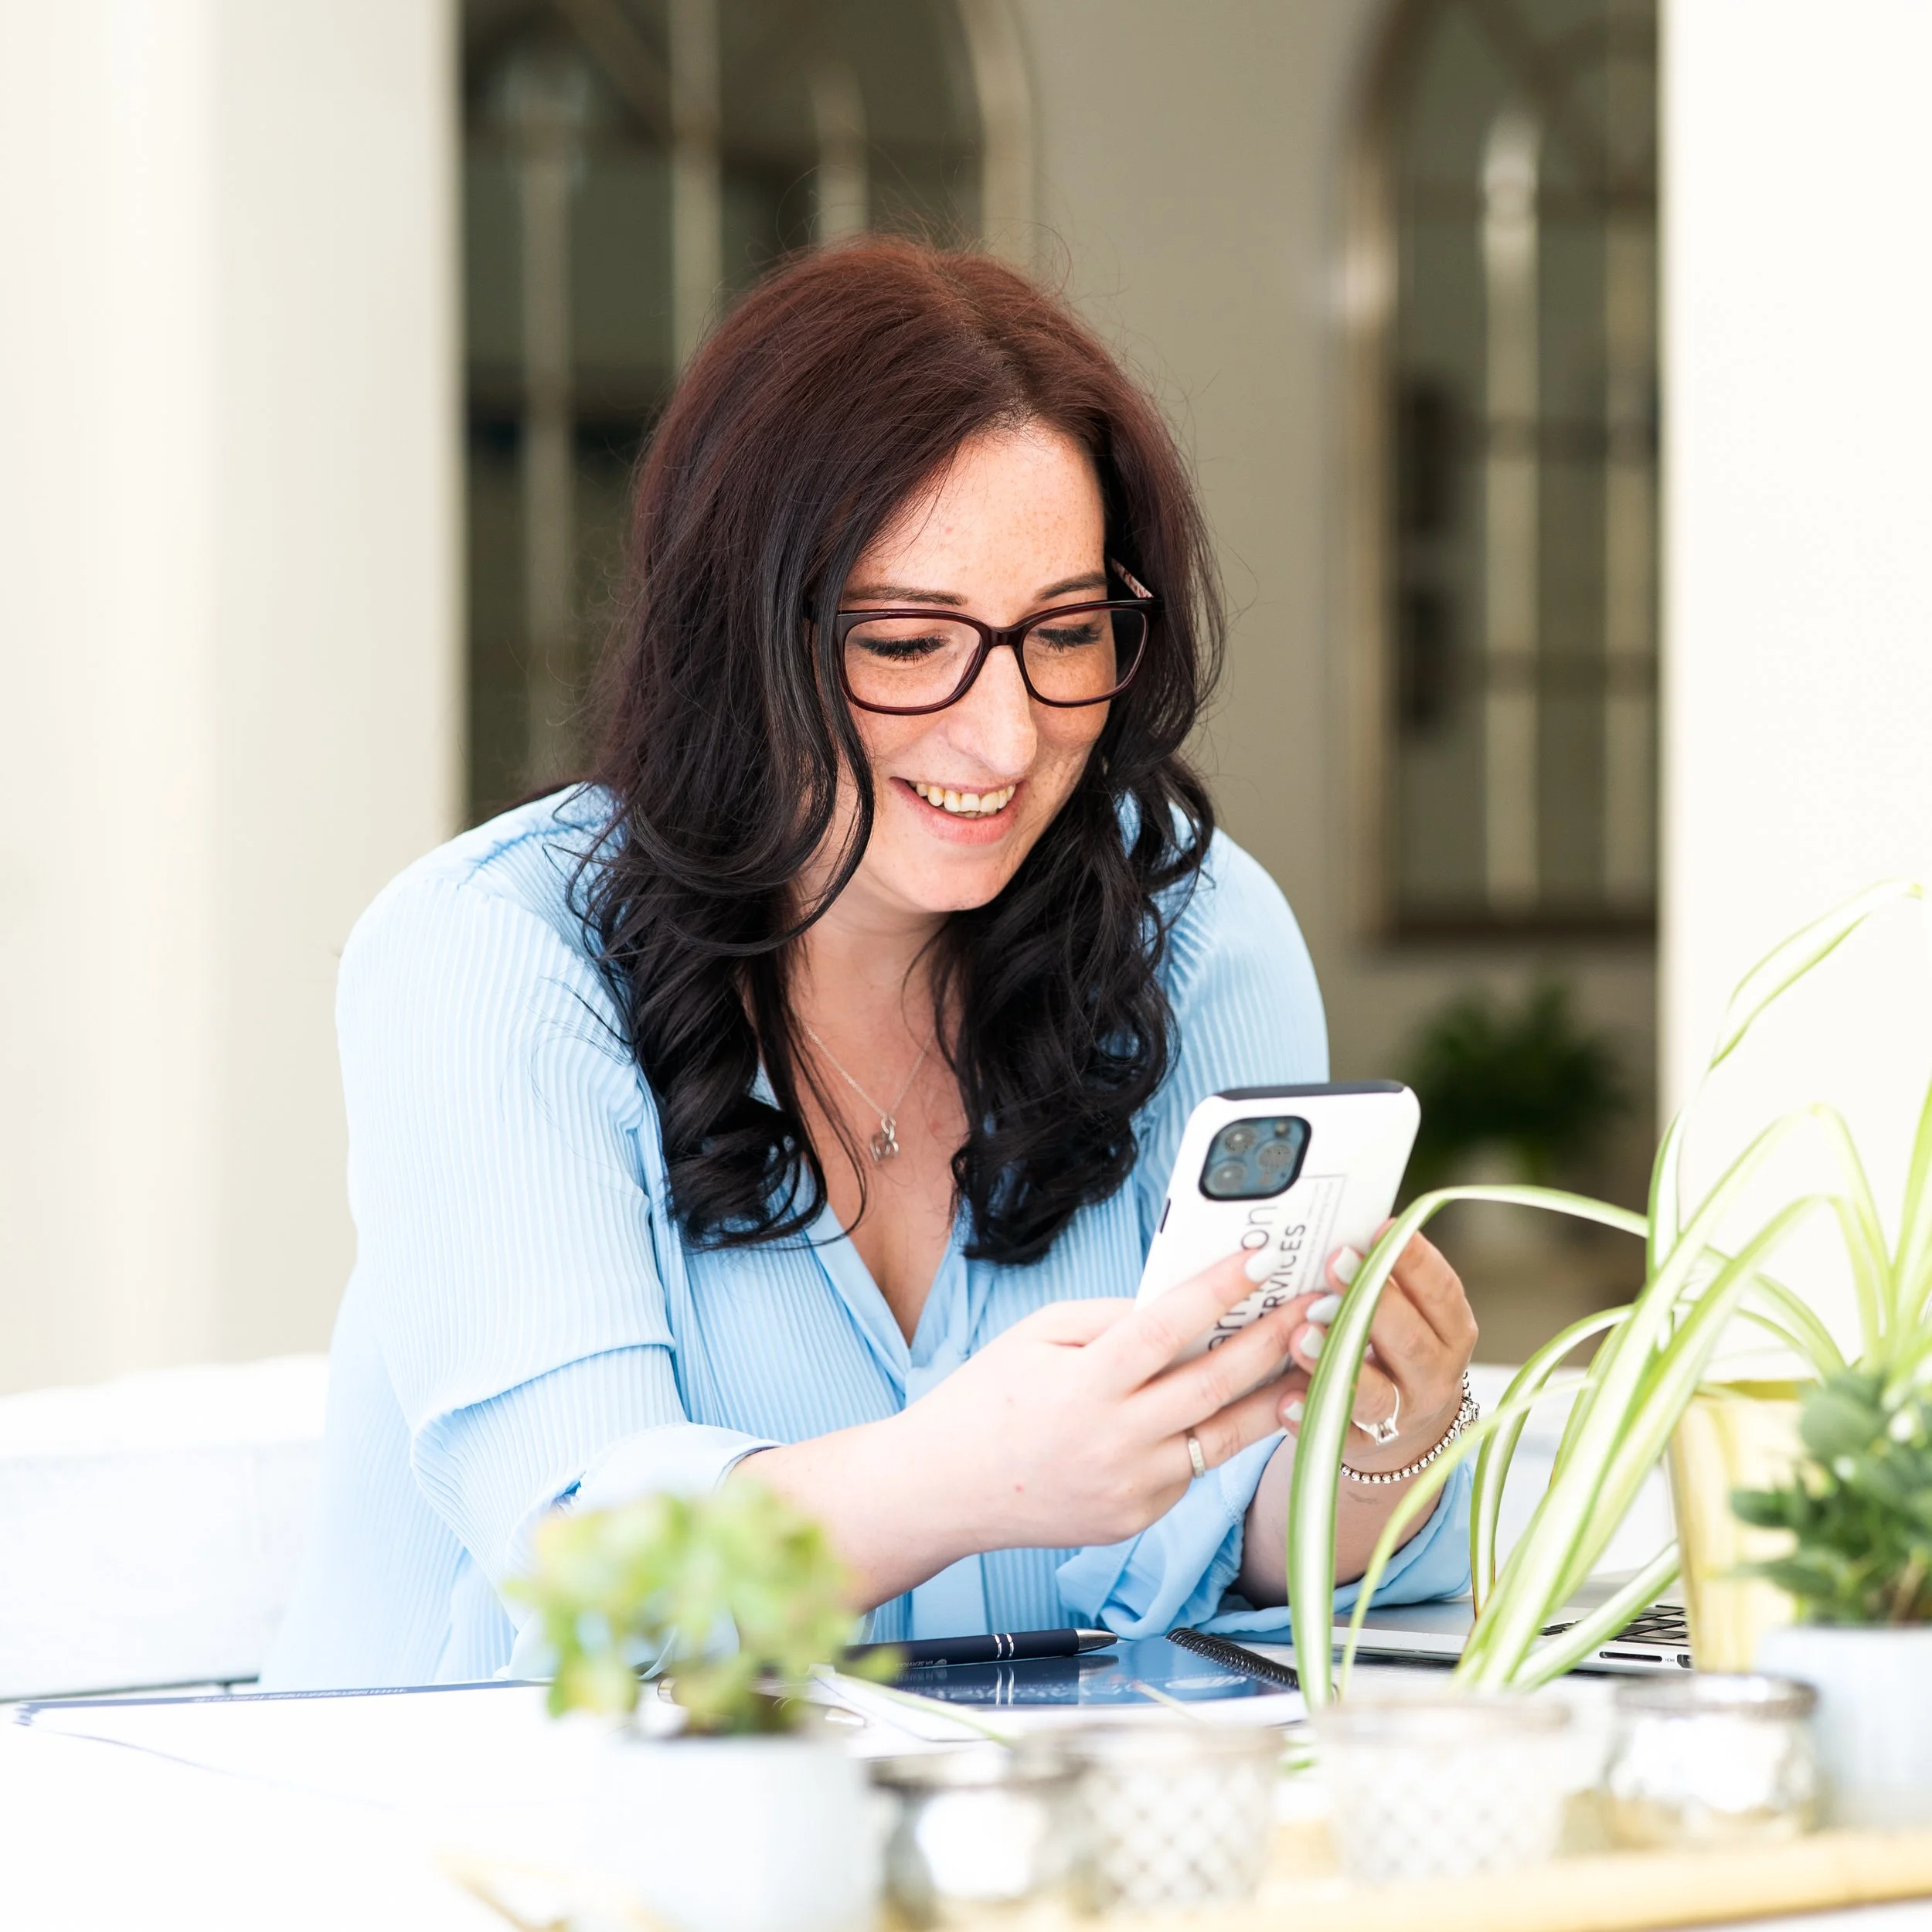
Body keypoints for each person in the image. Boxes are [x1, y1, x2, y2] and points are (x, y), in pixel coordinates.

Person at [264, 241, 1478, 1689]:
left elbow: (1217, 1551)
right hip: (499, 1873)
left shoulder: (1196, 929)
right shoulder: (491, 953)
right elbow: (592, 1574)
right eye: (911, 646)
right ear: (741, 636)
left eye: (1066, 635)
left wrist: (1382, 1435)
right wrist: (964, 1478)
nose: (1007, 737)